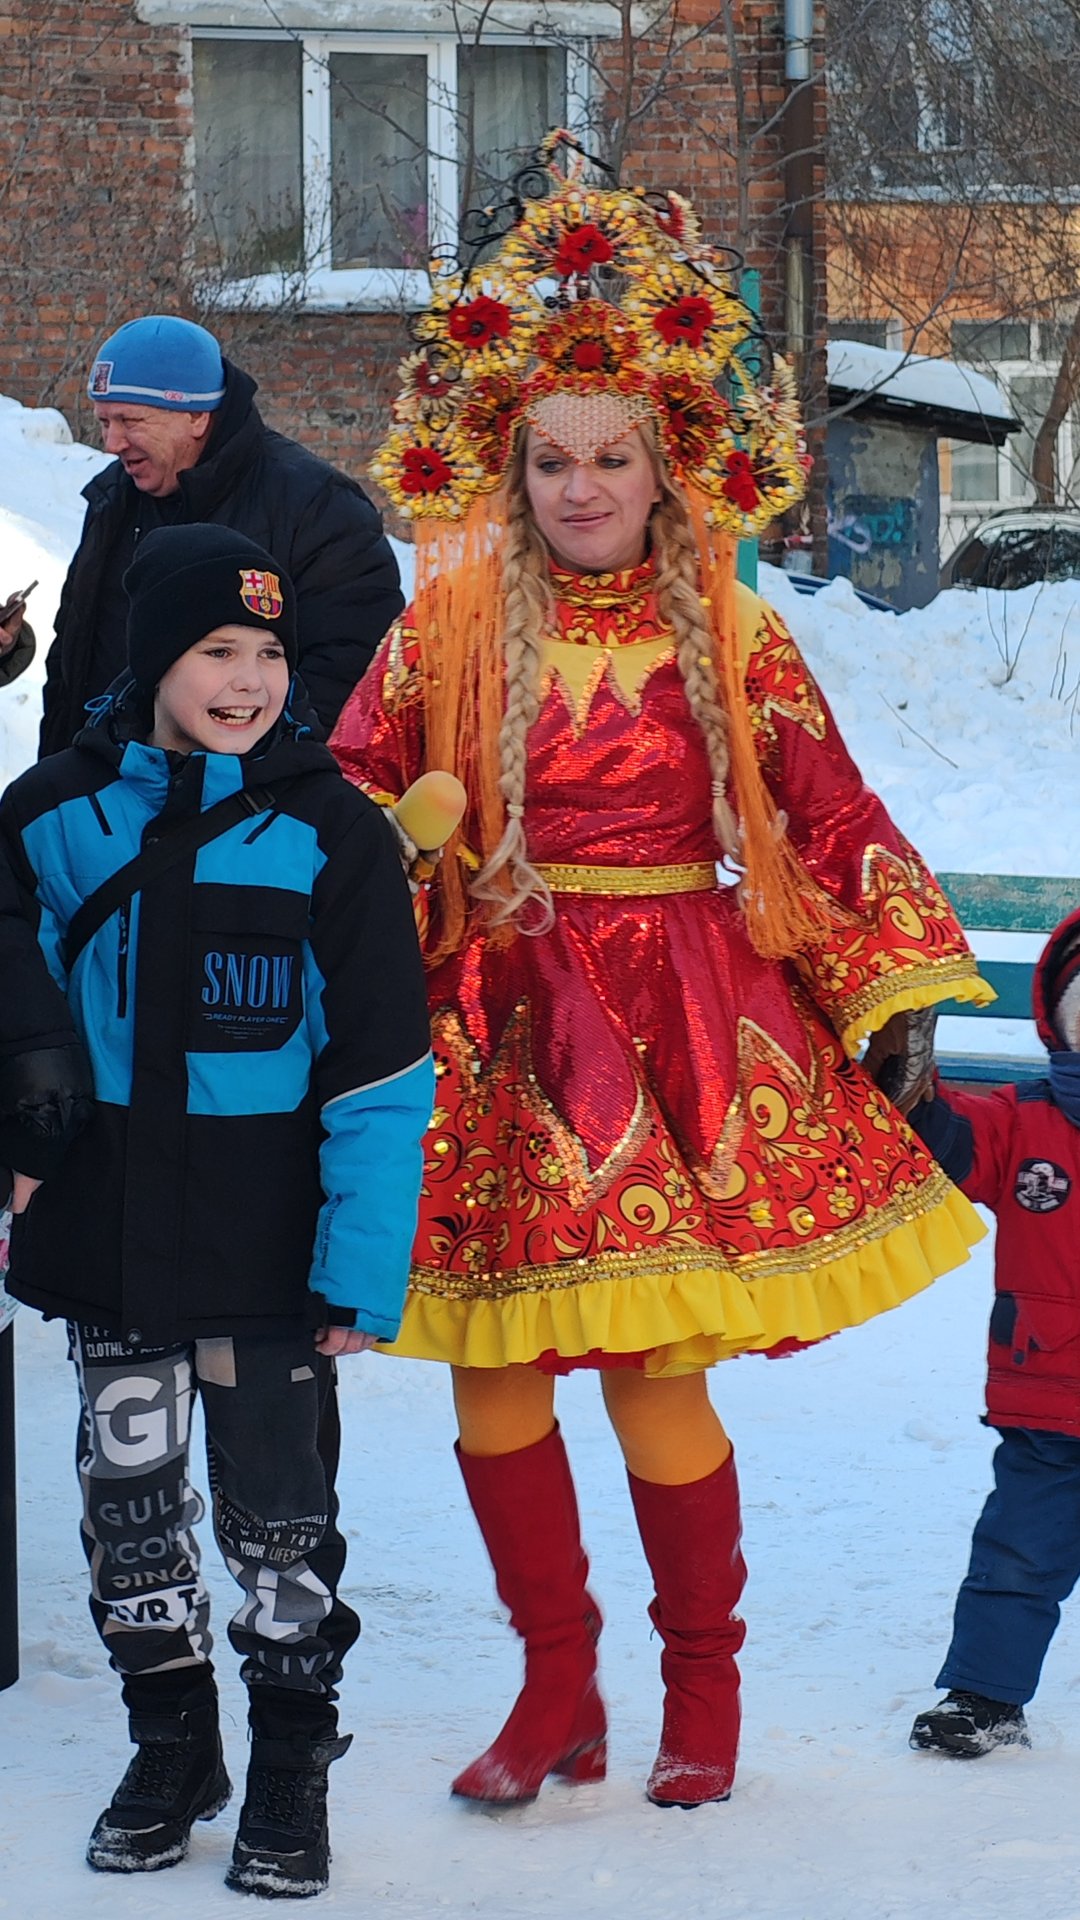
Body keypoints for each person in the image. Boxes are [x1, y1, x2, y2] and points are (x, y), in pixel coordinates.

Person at [329, 135, 994, 1813]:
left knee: (653, 1368)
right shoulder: (446, 622)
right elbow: (344, 790)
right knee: (488, 1371)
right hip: (497, 1015)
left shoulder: (737, 624)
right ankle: (557, 1688)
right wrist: (396, 846)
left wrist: (895, 984)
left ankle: (706, 1696)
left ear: (664, 461)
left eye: (608, 457)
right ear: (508, 463)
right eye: (548, 459)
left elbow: (830, 809)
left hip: (682, 1023)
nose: (577, 487)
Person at [0, 523, 433, 1895]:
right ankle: (173, 1740)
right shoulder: (57, 811)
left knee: (279, 1524)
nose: (245, 679)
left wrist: (360, 1269)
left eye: (265, 653)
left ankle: (294, 1759)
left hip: (268, 1249)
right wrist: (30, 1072)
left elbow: (380, 1072)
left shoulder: (331, 831)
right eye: (213, 650)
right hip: (111, 1230)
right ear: (152, 659)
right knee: (130, 1509)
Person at [36, 314, 403, 757]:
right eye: (104, 422)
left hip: (241, 807)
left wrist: (254, 780)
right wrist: (60, 772)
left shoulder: (316, 506)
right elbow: (73, 657)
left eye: (131, 421)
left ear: (195, 414)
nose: (113, 443)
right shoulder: (115, 499)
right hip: (103, 799)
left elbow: (350, 670)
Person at [909, 910, 1080, 1760]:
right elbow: (952, 1143)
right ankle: (984, 1697)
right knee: (1017, 1556)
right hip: (1050, 1395)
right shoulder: (1026, 1123)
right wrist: (910, 1086)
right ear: (1061, 1024)